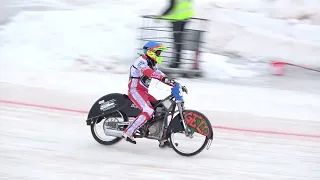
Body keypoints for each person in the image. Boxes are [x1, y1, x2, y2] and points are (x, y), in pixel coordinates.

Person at [122, 41, 174, 146]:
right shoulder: (141, 61)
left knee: (162, 108)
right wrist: (162, 77)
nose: (160, 55)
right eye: (158, 52)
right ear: (151, 52)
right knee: (149, 110)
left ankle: (162, 138)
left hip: (144, 92)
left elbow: (160, 75)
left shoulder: (153, 64)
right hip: (135, 90)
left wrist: (174, 83)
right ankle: (128, 132)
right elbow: (148, 72)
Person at [158, 0, 194, 68]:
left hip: (177, 18)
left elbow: (171, 7)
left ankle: (176, 62)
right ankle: (177, 61)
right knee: (179, 41)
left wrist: (161, 16)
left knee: (177, 41)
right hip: (186, 17)